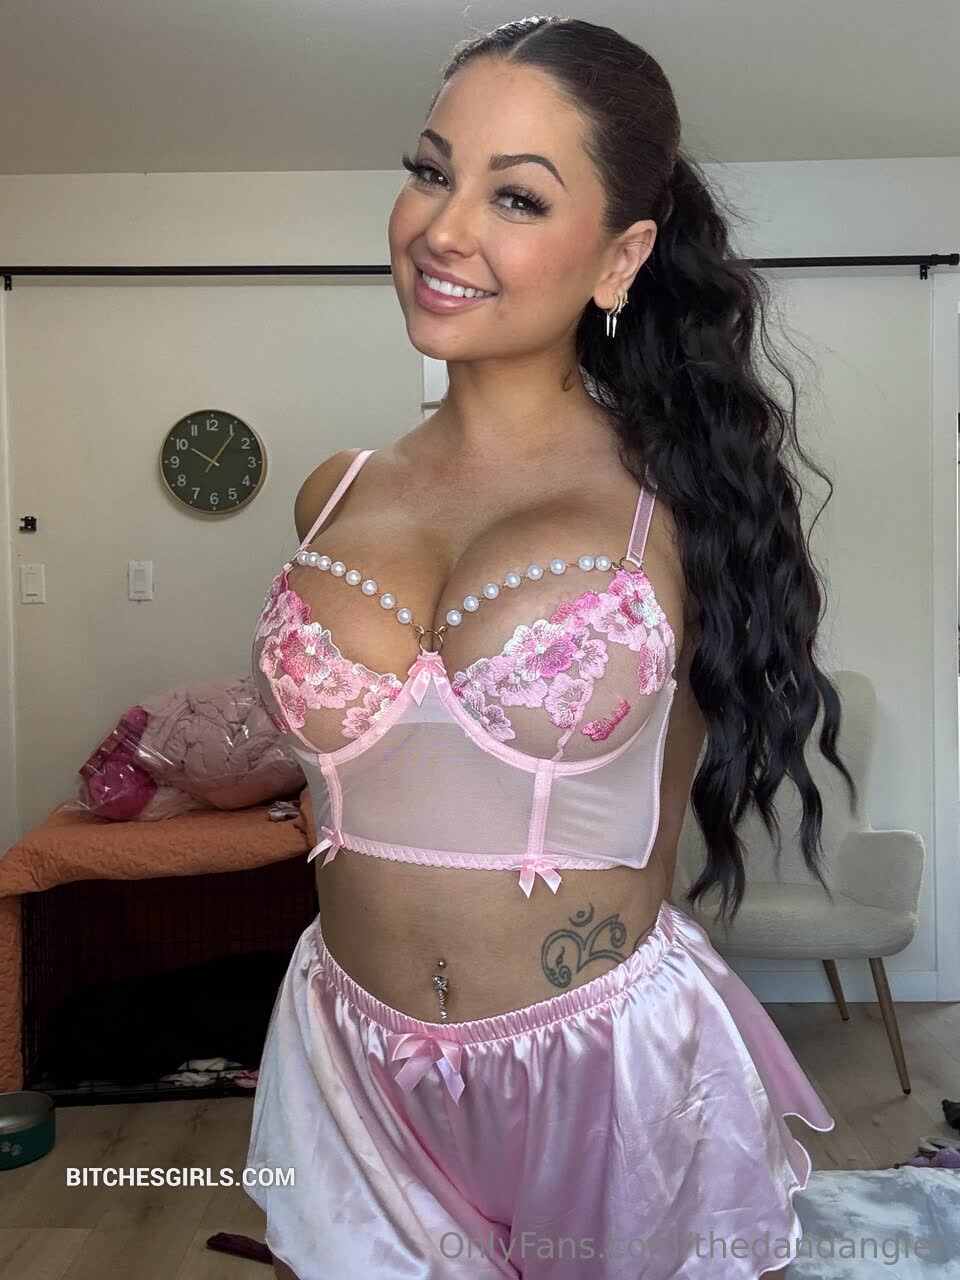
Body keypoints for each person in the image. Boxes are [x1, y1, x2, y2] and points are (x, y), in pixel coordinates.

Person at [245, 17, 856, 1279]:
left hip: (605, 1075)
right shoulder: (332, 492)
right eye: (431, 171)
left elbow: (678, 785)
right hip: (350, 1064)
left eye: (515, 195)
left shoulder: (681, 507)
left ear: (621, 255)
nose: (443, 227)